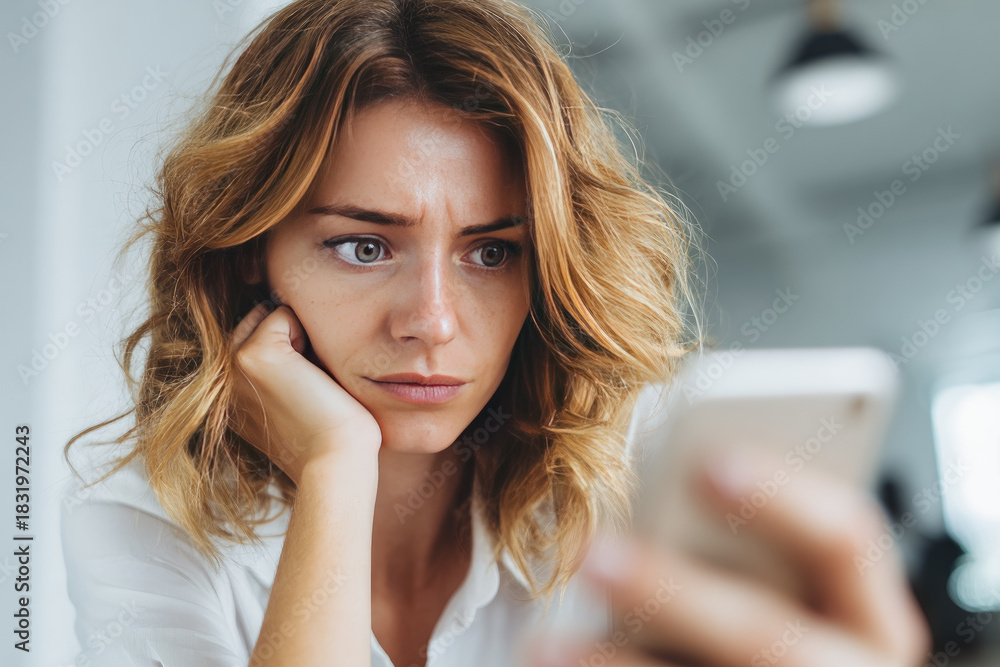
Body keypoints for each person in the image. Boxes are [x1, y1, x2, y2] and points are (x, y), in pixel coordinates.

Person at [61, 0, 931, 665]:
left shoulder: (623, 494)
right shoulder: (140, 523)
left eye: (491, 253)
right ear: (252, 252)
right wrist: (334, 470)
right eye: (364, 246)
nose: (432, 322)